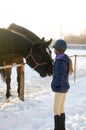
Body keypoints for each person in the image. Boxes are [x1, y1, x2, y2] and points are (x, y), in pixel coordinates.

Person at [51, 39, 73, 130]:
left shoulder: (60, 60)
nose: (54, 50)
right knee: (61, 108)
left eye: (54, 48)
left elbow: (59, 75)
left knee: (56, 110)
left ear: (58, 49)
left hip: (60, 87)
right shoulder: (64, 58)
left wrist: (54, 85)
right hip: (64, 87)